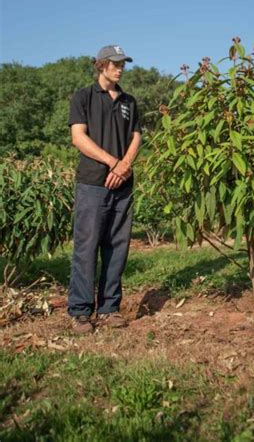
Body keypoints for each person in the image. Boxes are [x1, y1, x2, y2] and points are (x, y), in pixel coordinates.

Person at [67, 45, 142, 333]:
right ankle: (80, 312)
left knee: (117, 248)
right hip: (92, 184)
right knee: (86, 248)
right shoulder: (83, 97)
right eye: (114, 63)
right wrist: (112, 162)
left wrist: (124, 166)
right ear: (101, 65)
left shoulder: (129, 101)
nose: (120, 68)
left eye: (123, 63)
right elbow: (78, 137)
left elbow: (136, 137)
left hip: (123, 186)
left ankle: (110, 309)